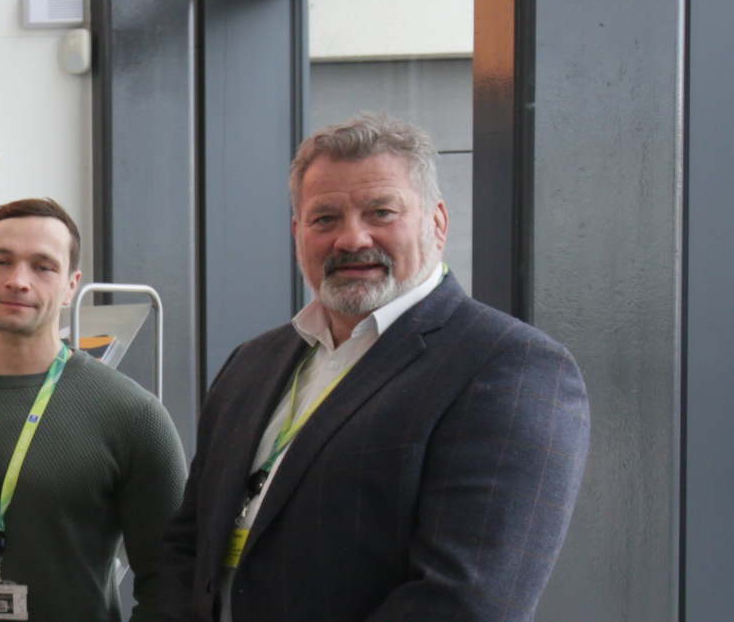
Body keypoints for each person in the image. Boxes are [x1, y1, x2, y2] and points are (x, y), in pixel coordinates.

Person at [156, 114, 590, 621]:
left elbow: (465, 601)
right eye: (325, 219)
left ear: (437, 223)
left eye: (380, 212)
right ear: (298, 233)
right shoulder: (251, 363)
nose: (351, 239)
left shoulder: (510, 368)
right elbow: (188, 547)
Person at [0, 199, 186, 622]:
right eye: (1, 262)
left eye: (43, 266)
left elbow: (172, 581)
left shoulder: (134, 417)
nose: (18, 281)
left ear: (71, 285)